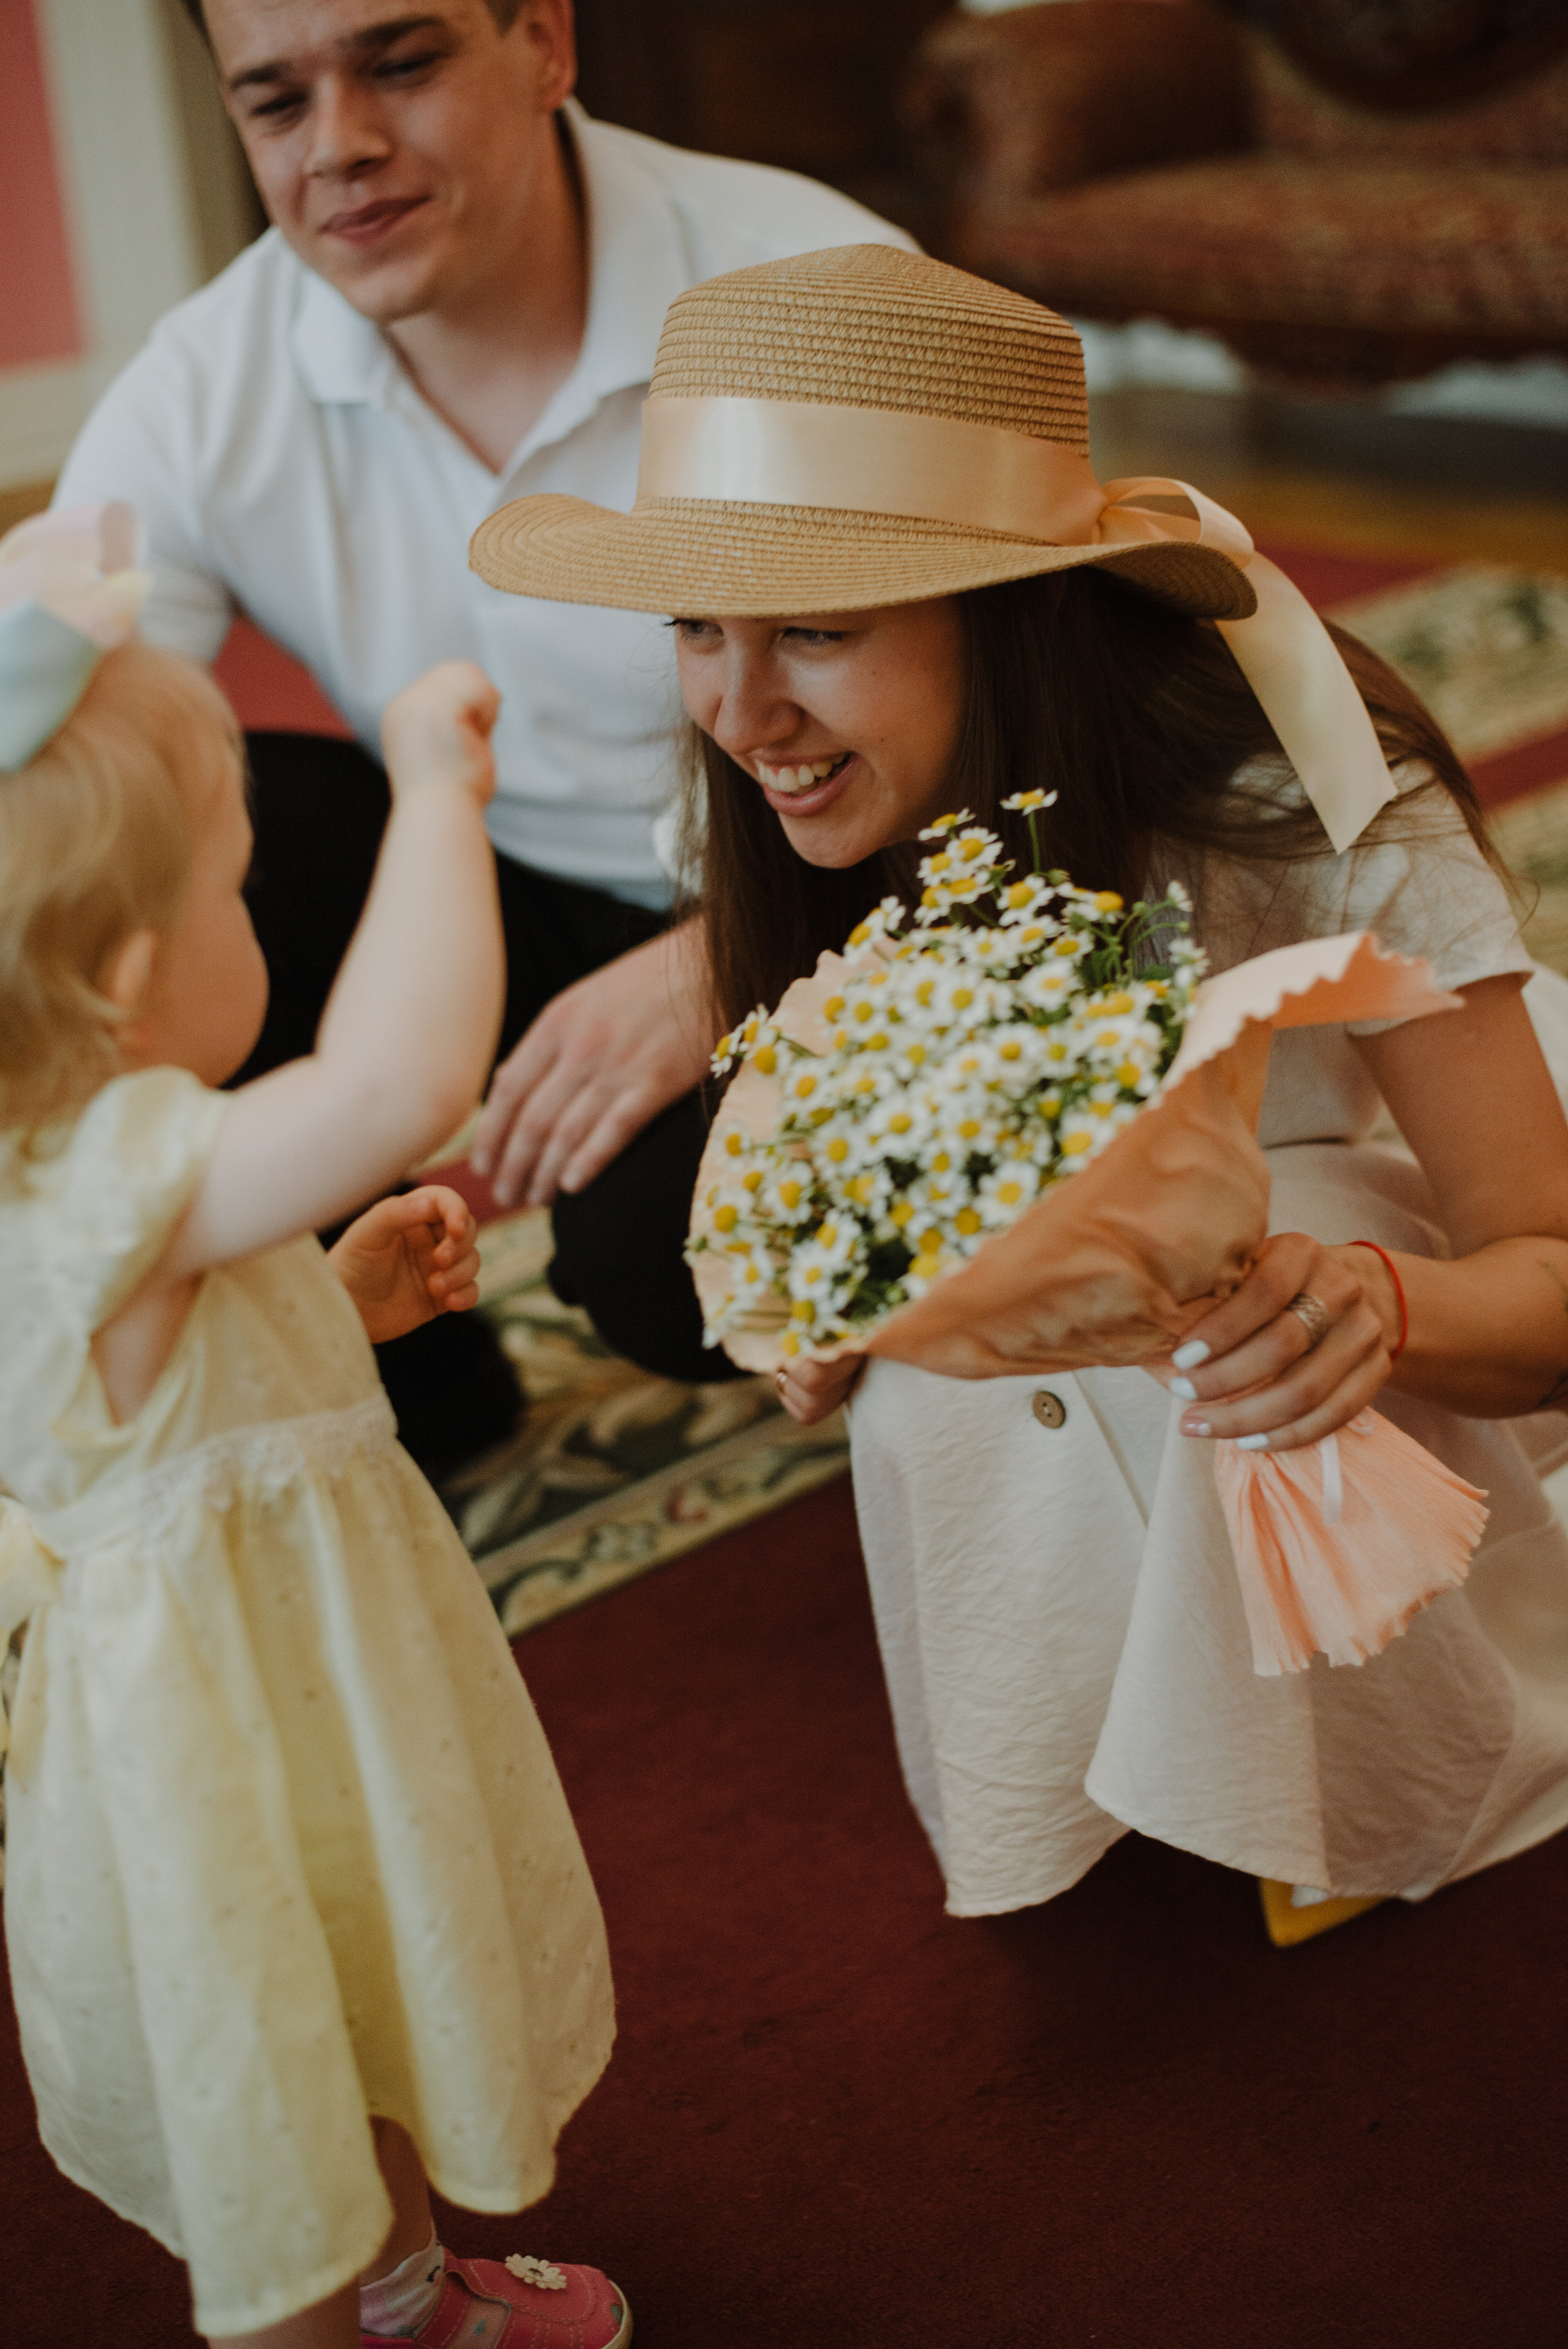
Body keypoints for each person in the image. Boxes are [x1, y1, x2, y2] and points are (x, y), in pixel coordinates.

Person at [466, 242, 1568, 1920]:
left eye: (816, 630)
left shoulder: (1305, 793)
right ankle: (1122, 1758)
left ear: (1021, 613)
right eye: (696, 625)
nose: (741, 709)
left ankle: (1358, 1753)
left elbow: (1547, 1269)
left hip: (1413, 1210)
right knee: (971, 1377)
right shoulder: (773, 776)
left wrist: (1380, 1309)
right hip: (1169, 1242)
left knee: (1229, 1293)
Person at [54, 0, 916, 1465]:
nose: (341, 147)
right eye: (275, 103)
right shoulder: (207, 388)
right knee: (194, 832)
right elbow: (48, 765)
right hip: (502, 890)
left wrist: (740, 952)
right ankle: (404, 1381)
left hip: (848, 875)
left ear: (547, 44)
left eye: (402, 62)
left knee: (670, 1268)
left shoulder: (815, 289)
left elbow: (1043, 744)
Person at [0, 505, 623, 2348]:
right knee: (274, 2048)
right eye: (239, 881)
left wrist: (333, 1303)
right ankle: (315, 2319)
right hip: (228, 1719)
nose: (261, 909)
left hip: (277, 1680)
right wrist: (434, 789)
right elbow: (396, 1079)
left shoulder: (94, 1182)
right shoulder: (106, 1175)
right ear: (122, 978)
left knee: (340, 1970)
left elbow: (156, 1406)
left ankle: (406, 2292)